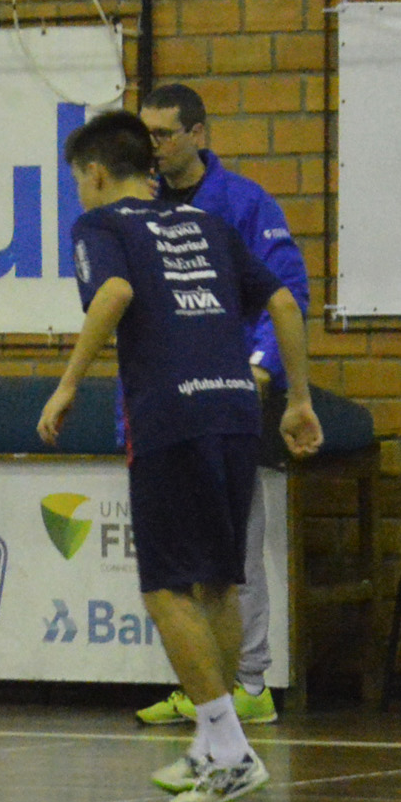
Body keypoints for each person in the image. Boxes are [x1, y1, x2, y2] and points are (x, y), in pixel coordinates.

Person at [38, 110, 320, 802]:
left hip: (169, 416)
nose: (79, 190)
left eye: (78, 178)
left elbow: (114, 293)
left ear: (95, 173)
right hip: (233, 409)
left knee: (165, 589)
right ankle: (211, 740)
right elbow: (283, 298)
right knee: (216, 585)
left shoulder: (101, 228)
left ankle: (226, 747)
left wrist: (69, 381)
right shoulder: (205, 222)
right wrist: (299, 399)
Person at [129, 82, 311, 728]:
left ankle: (249, 682)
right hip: (164, 407)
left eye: (163, 133)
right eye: (143, 134)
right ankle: (204, 688)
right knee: (178, 562)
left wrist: (263, 372)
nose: (151, 146)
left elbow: (284, 293)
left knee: (231, 551)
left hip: (227, 403)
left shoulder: (241, 203)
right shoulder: (136, 209)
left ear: (198, 133)